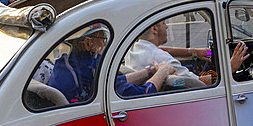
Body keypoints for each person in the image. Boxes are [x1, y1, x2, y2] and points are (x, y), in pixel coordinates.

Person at [36, 27, 172, 103]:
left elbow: (117, 81)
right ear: (88, 43)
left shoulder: (71, 61)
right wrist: (163, 71)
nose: (104, 44)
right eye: (103, 39)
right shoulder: (92, 68)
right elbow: (144, 93)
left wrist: (151, 71)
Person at [124, 19, 248, 83]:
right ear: (154, 29)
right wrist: (229, 69)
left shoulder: (133, 50)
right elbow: (199, 83)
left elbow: (165, 50)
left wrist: (194, 52)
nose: (167, 26)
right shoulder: (162, 58)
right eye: (163, 23)